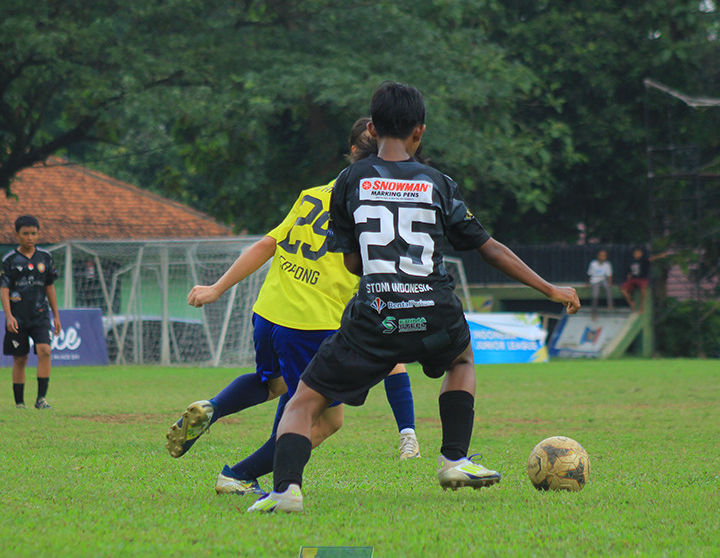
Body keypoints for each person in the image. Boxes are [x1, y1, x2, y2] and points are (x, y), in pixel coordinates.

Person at [248, 81, 580, 513]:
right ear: (419, 132)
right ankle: (454, 459)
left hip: (376, 314)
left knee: (302, 403)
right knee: (461, 359)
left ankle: (286, 490)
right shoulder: (438, 182)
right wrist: (549, 288)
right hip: (435, 311)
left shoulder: (349, 181)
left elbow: (351, 264)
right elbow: (488, 247)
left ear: (371, 126)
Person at [167, 118, 421, 497]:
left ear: (352, 151)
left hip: (268, 313)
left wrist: (217, 288)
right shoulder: (373, 208)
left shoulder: (312, 194)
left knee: (275, 384)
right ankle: (240, 474)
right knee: (326, 418)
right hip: (311, 321)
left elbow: (265, 245)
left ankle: (215, 407)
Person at [0, 215, 61, 409]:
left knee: (45, 351)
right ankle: (19, 403)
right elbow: (4, 290)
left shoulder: (45, 258)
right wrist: (9, 316)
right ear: (17, 234)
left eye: (33, 233)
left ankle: (41, 399)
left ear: (38, 234)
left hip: (40, 315)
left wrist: (56, 315)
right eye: (25, 234)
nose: (30, 237)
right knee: (20, 358)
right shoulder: (9, 260)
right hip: (18, 317)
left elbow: (49, 287)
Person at [620, 247, 650, 312]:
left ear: (641, 254)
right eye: (636, 253)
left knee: (643, 289)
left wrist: (661, 256)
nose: (637, 255)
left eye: (639, 253)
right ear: (634, 254)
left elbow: (651, 259)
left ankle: (642, 307)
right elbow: (629, 273)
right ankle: (631, 303)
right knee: (623, 289)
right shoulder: (630, 261)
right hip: (633, 279)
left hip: (642, 279)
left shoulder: (643, 260)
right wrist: (628, 281)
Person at [586, 249, 613, 319]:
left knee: (607, 288)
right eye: (601, 256)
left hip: (603, 279)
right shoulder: (593, 263)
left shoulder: (607, 264)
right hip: (594, 280)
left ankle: (610, 304)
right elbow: (589, 274)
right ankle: (594, 313)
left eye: (604, 256)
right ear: (598, 256)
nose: (602, 257)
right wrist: (587, 283)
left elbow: (609, 275)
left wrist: (610, 283)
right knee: (595, 296)